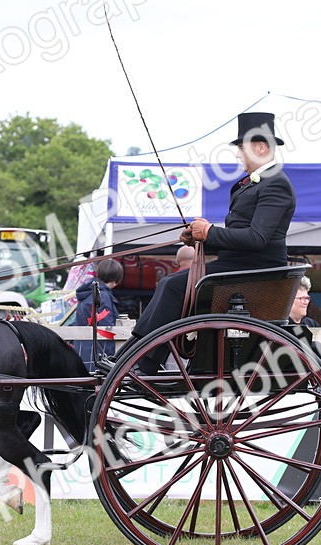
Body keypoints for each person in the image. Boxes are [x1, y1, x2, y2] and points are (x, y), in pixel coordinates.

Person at [115, 112, 296, 374]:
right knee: (171, 283)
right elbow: (238, 239)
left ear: (260, 147)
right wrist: (200, 239)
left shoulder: (275, 184)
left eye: (241, 148)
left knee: (175, 286)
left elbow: (257, 239)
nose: (238, 155)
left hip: (254, 272)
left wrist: (209, 232)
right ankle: (134, 353)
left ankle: (145, 361)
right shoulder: (254, 184)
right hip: (239, 265)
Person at [69, 259, 124, 370]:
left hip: (83, 349)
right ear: (117, 279)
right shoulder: (102, 297)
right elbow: (106, 330)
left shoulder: (88, 293)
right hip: (97, 354)